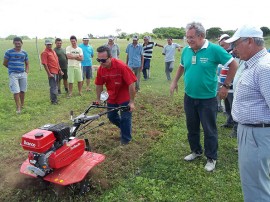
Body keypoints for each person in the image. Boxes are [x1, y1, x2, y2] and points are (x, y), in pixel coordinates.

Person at [170, 22, 237, 172]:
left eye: (191, 37)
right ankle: (196, 151)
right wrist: (174, 81)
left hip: (207, 98)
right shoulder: (187, 50)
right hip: (189, 96)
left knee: (209, 129)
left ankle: (211, 157)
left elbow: (233, 65)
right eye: (187, 37)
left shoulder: (214, 49)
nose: (188, 40)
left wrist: (226, 86)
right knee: (191, 126)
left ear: (201, 36)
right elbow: (182, 66)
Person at [225, 25, 270, 201]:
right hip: (248, 131)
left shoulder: (264, 68)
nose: (234, 48)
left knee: (256, 186)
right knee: (252, 181)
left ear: (250, 41)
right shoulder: (249, 64)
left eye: (236, 44)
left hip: (257, 133)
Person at [95, 46, 137, 145]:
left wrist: (131, 102)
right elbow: (99, 85)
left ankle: (126, 139)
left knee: (125, 118)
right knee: (111, 116)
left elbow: (131, 83)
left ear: (110, 57)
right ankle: (125, 128)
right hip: (112, 96)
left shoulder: (121, 66)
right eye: (98, 60)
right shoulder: (101, 69)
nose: (101, 62)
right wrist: (98, 99)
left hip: (124, 96)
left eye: (103, 60)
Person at [3, 37, 29, 114]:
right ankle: (18, 107)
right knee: (16, 91)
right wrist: (12, 68)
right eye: (16, 43)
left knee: (22, 90)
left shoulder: (24, 52)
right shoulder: (9, 52)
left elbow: (27, 63)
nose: (17, 45)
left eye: (19, 43)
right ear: (13, 43)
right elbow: (4, 63)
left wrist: (26, 72)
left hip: (22, 74)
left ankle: (22, 105)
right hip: (13, 74)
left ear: (22, 43)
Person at [218, 34, 234, 128]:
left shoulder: (234, 53)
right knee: (227, 104)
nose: (222, 47)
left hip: (230, 85)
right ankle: (229, 122)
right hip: (223, 83)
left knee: (232, 106)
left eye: (223, 45)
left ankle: (235, 126)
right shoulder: (223, 53)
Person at [41, 39, 64, 104]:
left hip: (56, 71)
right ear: (45, 44)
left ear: (52, 44)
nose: (49, 45)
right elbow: (45, 64)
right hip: (51, 72)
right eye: (48, 44)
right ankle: (53, 101)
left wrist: (60, 70)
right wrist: (49, 73)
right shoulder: (44, 53)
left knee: (56, 85)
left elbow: (57, 62)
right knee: (53, 86)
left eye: (50, 44)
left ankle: (55, 99)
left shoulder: (53, 51)